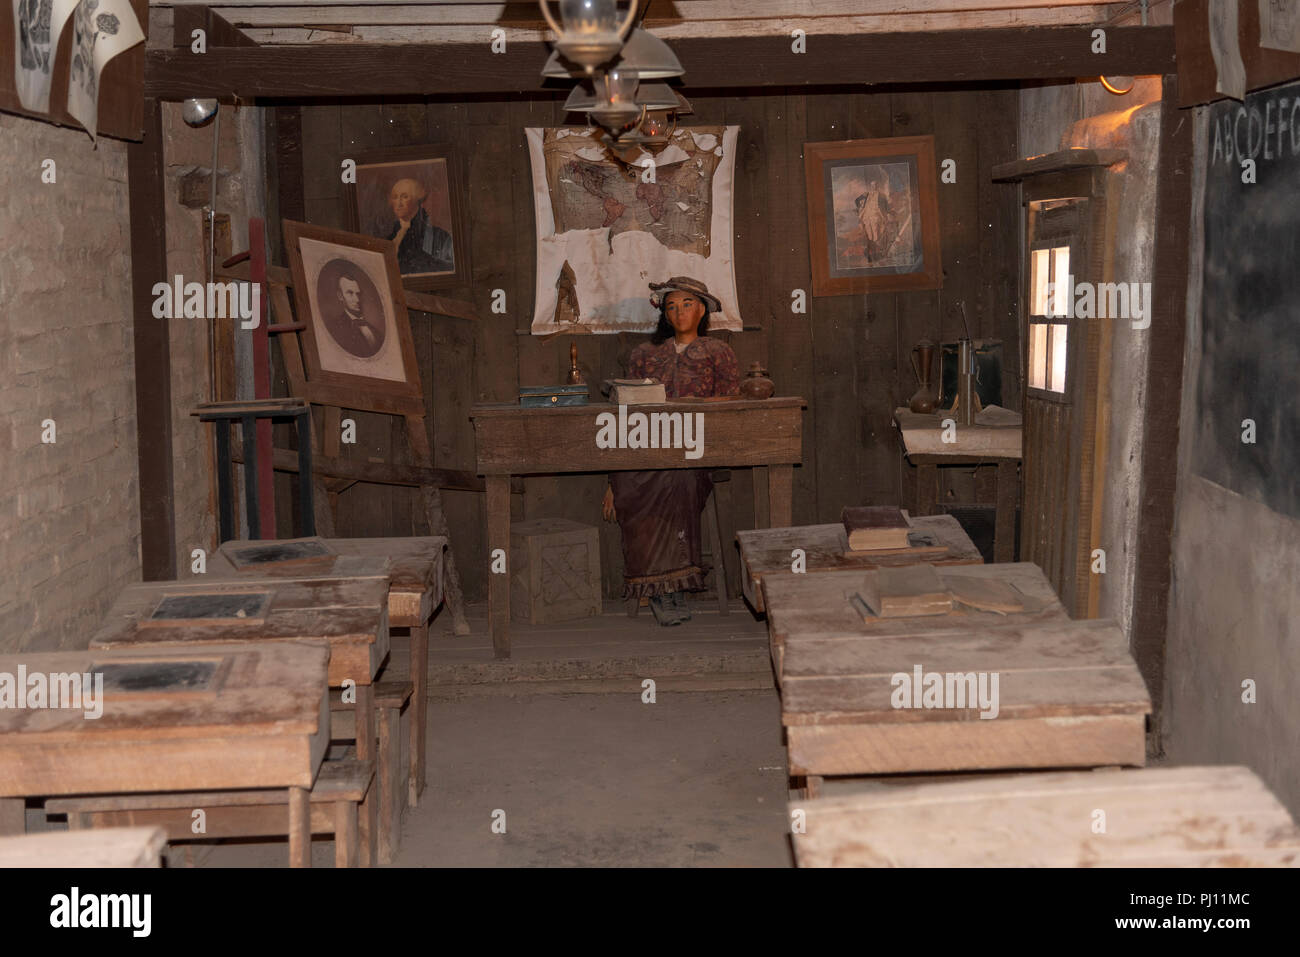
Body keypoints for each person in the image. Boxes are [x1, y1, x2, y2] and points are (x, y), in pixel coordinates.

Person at [601, 277, 740, 627]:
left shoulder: (718, 351)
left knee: (674, 477)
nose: (679, 312)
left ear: (702, 309)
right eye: (672, 306)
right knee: (636, 481)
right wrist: (610, 482)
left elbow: (733, 402)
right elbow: (624, 415)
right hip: (645, 450)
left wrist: (697, 404)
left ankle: (667, 589)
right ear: (663, 312)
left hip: (696, 450)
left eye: (687, 304)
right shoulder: (644, 355)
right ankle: (664, 591)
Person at [385, 177, 454, 276]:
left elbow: (450, 270)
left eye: (405, 197)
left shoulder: (440, 236)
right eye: (395, 197)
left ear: (417, 200)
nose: (399, 203)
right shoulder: (389, 239)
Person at [322, 267, 385, 358]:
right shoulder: (334, 329)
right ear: (340, 296)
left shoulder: (376, 333)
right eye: (350, 293)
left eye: (358, 294)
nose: (357, 299)